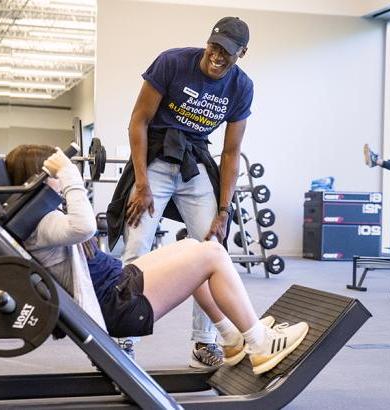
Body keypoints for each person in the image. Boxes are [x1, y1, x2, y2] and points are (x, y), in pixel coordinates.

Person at [5, 144, 309, 376]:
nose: (59, 180)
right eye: (54, 176)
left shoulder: (38, 218)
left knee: (194, 247)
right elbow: (83, 225)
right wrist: (69, 175)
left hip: (117, 284)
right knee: (212, 253)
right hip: (117, 303)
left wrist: (66, 177)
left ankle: (231, 337)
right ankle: (259, 344)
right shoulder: (42, 223)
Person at [107, 16, 254, 367]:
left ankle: (204, 344)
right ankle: (123, 340)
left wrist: (224, 211)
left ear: (242, 53)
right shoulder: (172, 62)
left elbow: (231, 153)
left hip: (194, 162)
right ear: (208, 41)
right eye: (214, 47)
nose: (217, 56)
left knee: (210, 249)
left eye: (227, 52)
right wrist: (141, 184)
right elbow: (138, 121)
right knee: (138, 245)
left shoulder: (241, 87)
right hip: (156, 156)